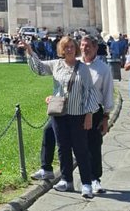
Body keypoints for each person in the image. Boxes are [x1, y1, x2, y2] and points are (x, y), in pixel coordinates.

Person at [23, 35, 100, 196]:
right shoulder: (56, 65)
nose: (69, 49)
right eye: (66, 47)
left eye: (72, 46)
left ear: (76, 49)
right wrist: (29, 51)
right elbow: (39, 68)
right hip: (59, 113)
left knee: (80, 148)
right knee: (63, 147)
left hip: (77, 113)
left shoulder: (83, 68)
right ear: (61, 50)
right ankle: (66, 180)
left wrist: (89, 114)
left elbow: (90, 92)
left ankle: (86, 183)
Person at [80, 33, 114, 194]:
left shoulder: (103, 69)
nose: (84, 48)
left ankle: (95, 179)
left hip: (95, 111)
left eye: (87, 46)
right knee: (76, 145)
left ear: (95, 48)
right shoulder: (75, 64)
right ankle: (67, 177)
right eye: (82, 45)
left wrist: (106, 117)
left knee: (93, 146)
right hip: (76, 110)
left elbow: (108, 93)